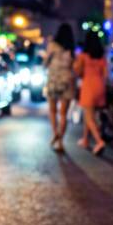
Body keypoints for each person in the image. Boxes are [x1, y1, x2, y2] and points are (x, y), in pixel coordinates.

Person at [74, 30, 108, 155]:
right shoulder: (102, 57)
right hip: (100, 86)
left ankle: (99, 141)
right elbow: (106, 74)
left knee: (88, 117)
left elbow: (77, 71)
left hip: (88, 86)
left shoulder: (83, 56)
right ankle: (85, 140)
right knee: (90, 116)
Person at [43, 23, 76, 152]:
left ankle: (55, 133)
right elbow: (73, 67)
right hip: (66, 81)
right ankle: (60, 141)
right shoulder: (71, 49)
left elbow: (45, 63)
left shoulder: (52, 45)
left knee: (52, 110)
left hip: (53, 80)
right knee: (63, 114)